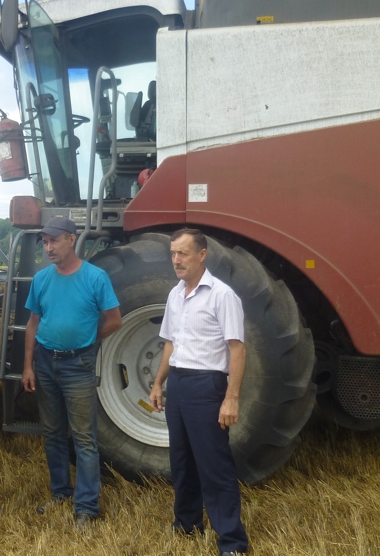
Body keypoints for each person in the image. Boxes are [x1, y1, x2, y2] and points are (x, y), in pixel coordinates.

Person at [148, 228, 249, 556]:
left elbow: (237, 349)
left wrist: (230, 398)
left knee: (214, 464)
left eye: (183, 253)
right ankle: (187, 523)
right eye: (173, 253)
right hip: (178, 383)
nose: (176, 260)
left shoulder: (222, 295)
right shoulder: (175, 295)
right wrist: (158, 383)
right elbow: (170, 343)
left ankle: (232, 541)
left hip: (208, 386)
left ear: (202, 254)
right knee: (181, 461)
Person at [21, 215, 122, 530]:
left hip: (77, 365)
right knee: (52, 433)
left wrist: (89, 343)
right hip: (45, 362)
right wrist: (27, 365)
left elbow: (114, 320)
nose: (48, 247)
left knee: (83, 437)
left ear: (70, 239)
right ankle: (61, 493)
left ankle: (87, 508)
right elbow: (33, 323)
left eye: (53, 240)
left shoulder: (96, 277)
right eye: (45, 242)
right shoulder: (42, 279)